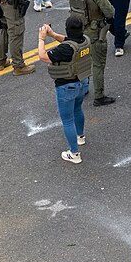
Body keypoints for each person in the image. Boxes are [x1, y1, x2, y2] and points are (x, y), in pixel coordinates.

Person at [38, 14, 93, 164]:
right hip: (83, 82)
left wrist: (42, 38)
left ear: (67, 29)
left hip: (67, 87)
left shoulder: (65, 50)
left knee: (67, 120)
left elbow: (43, 56)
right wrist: (53, 34)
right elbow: (68, 41)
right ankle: (80, 136)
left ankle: (74, 153)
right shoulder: (85, 40)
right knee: (77, 109)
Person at [69, 0, 115, 107]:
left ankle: (83, 88)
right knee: (98, 64)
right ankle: (99, 95)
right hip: (95, 33)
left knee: (82, 62)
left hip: (80, 31)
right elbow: (110, 12)